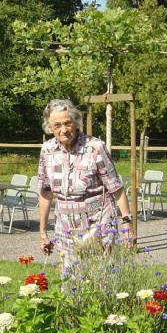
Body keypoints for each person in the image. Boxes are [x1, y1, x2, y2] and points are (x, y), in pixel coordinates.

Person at [37, 99, 133, 271]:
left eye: (68, 123)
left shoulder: (95, 147)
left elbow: (116, 188)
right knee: (69, 279)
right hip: (65, 224)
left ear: (76, 122)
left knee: (102, 277)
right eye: (57, 125)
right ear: (49, 127)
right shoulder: (47, 150)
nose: (64, 130)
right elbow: (45, 192)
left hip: (98, 222)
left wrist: (127, 224)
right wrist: (43, 232)